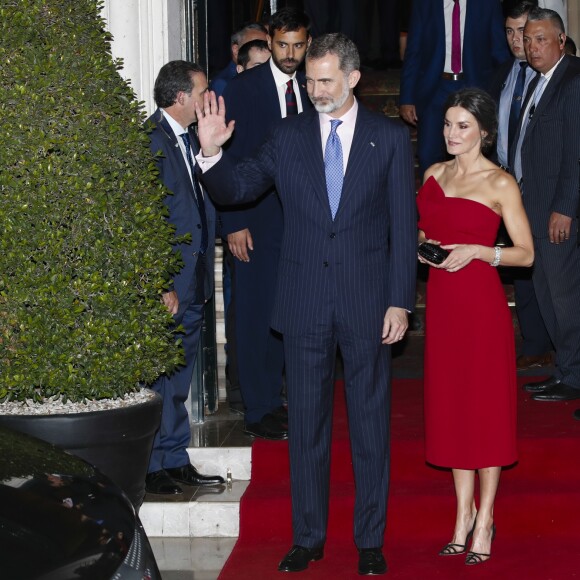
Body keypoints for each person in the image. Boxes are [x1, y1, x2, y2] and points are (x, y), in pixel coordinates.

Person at [196, 33, 417, 576]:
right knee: (308, 430)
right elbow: (239, 187)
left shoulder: (387, 138)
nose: (314, 90)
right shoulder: (288, 135)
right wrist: (211, 153)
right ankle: (308, 537)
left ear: (353, 79)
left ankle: (369, 540)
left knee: (370, 425)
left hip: (368, 303)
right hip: (304, 302)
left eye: (325, 81)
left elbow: (402, 227)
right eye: (309, 80)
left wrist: (399, 302)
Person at [417, 88, 534, 565]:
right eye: (447, 124)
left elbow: (526, 254)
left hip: (481, 308)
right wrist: (426, 245)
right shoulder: (432, 175)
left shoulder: (500, 183)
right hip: (443, 305)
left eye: (462, 125)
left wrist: (482, 251)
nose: (451, 133)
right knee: (452, 409)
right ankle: (461, 514)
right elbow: (425, 230)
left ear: (484, 132)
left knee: (484, 411)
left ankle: (485, 519)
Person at [220, 8, 312, 441]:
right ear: (269, 41)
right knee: (257, 313)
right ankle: (258, 407)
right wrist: (233, 221)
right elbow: (227, 159)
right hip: (254, 221)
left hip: (306, 223)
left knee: (292, 311)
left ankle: (284, 398)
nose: (290, 54)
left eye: (298, 45)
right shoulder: (242, 90)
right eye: (282, 45)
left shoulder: (318, 84)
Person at [144, 61, 225, 495]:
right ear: (181, 98)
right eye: (202, 92)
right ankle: (155, 465)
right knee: (161, 380)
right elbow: (144, 220)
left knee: (179, 381)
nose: (206, 98)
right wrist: (160, 282)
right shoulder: (150, 142)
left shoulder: (187, 139)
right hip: (171, 287)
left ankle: (174, 457)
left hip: (192, 281)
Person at [509, 8, 580, 405]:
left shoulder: (573, 80)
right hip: (531, 207)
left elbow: (576, 154)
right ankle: (567, 371)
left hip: (557, 212)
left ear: (561, 39)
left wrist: (565, 208)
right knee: (547, 296)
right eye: (527, 38)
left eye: (540, 39)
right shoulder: (537, 81)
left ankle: (575, 374)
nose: (532, 47)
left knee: (565, 298)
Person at [488, 1, 553, 372]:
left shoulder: (555, 78)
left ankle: (552, 346)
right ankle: (535, 344)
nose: (518, 41)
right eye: (511, 32)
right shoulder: (503, 75)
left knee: (548, 270)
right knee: (522, 271)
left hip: (542, 188)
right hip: (505, 187)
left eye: (524, 32)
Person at [399, 0, 509, 179]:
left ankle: (470, 202)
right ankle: (433, 204)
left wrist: (507, 89)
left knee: (474, 153)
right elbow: (414, 52)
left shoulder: (487, 4)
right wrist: (407, 97)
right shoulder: (424, 5)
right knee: (428, 154)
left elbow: (499, 50)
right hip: (435, 88)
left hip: (475, 87)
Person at [210, 22, 268, 98]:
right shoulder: (224, 84)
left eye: (265, 45)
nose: (261, 50)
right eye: (255, 46)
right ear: (236, 50)